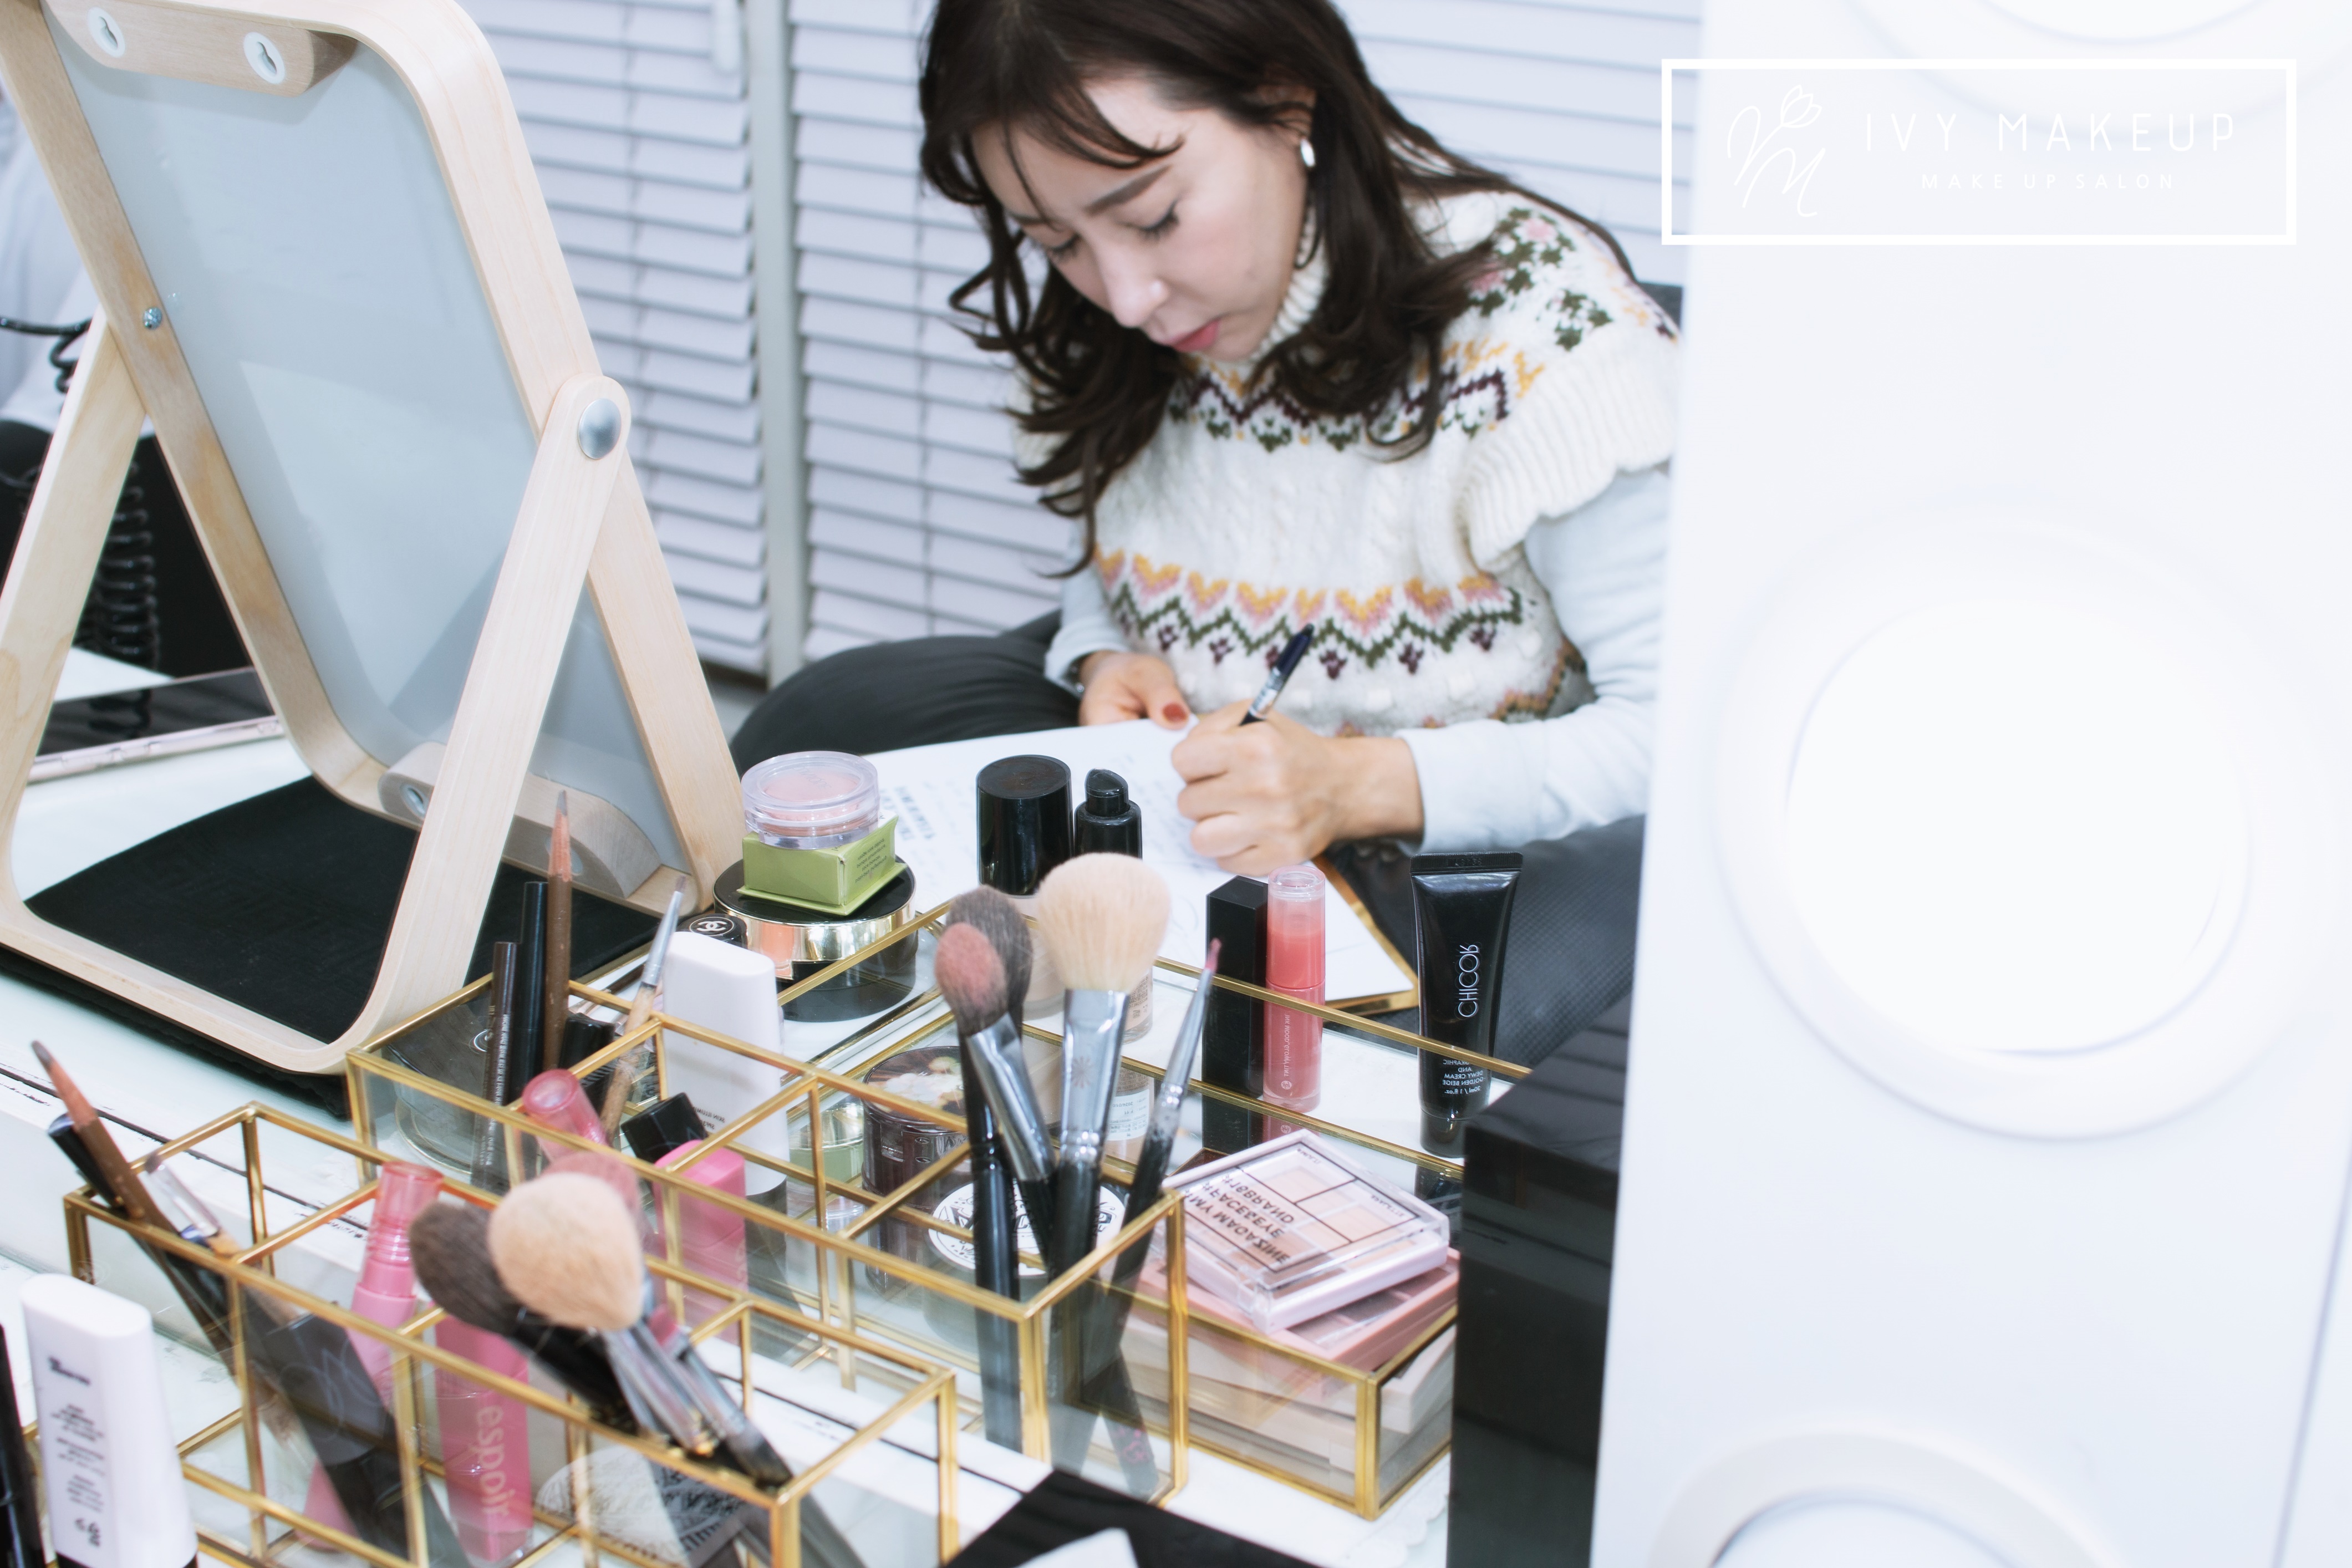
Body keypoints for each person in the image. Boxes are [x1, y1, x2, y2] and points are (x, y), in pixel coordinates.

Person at [732, 0, 1677, 1061]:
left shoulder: (1546, 335)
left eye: (1152, 217)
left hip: (1439, 844)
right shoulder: (1124, 313)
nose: (1125, 297)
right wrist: (1104, 651)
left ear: (1285, 95)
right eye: (1056, 241)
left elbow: (1677, 732)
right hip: (1193, 814)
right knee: (819, 742)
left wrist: (1357, 786)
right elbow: (1122, 544)